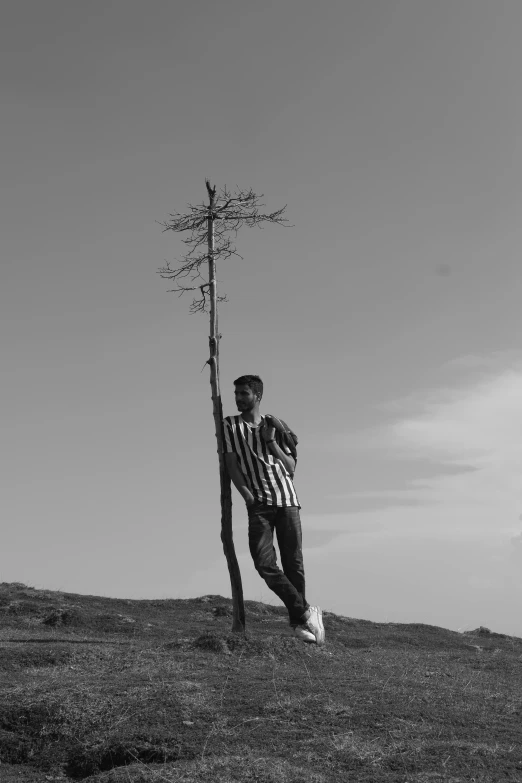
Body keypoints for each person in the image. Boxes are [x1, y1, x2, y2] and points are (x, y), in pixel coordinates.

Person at [223, 374, 325, 645]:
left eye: (244, 393)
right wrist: (247, 496)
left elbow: (291, 468)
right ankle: (305, 611)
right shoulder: (230, 425)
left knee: (294, 563)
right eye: (236, 393)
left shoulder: (275, 425)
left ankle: (298, 625)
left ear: (257, 396)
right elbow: (232, 465)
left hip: (287, 500)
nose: (238, 398)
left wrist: (271, 442)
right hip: (259, 504)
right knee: (264, 563)